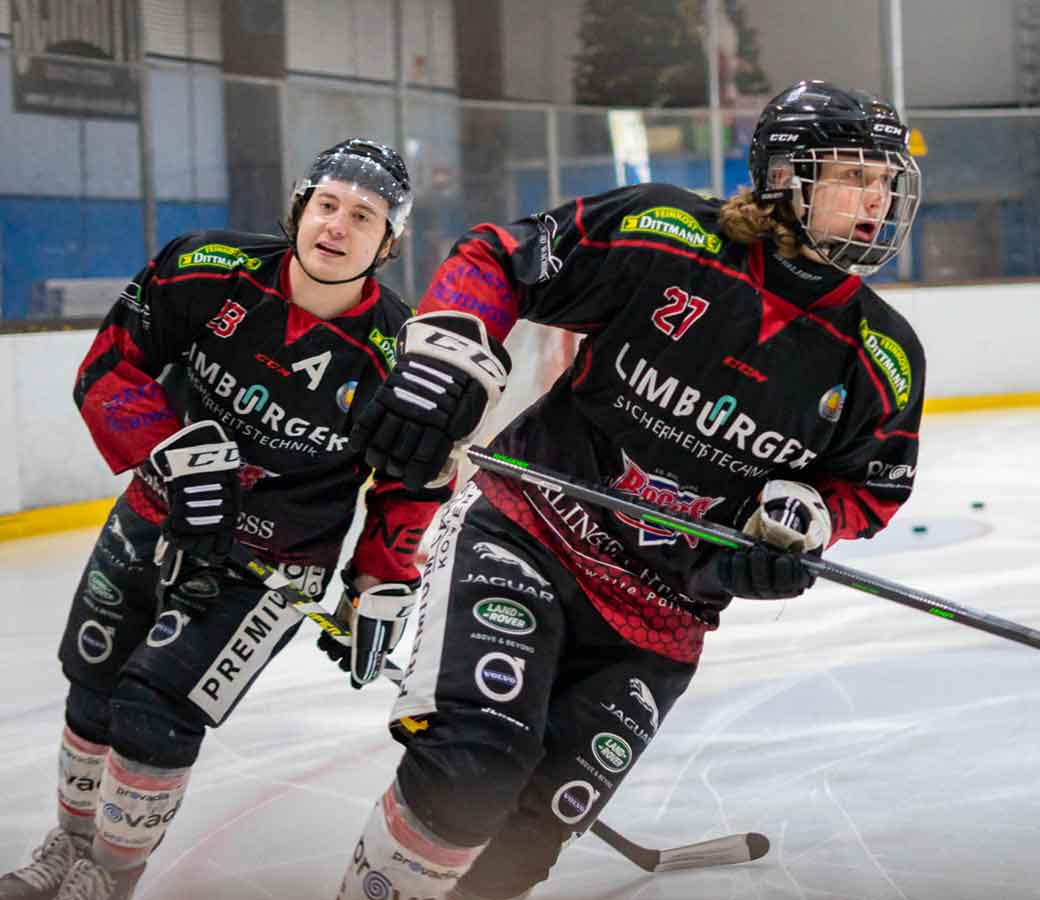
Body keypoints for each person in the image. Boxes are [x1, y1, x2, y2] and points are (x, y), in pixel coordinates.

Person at [337, 80, 926, 900]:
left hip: (660, 619)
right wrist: (449, 349)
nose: (878, 198)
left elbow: (872, 488)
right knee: (473, 767)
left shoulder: (884, 356)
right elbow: (502, 258)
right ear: (787, 175)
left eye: (886, 179)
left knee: (519, 853)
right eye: (854, 175)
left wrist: (806, 526)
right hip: (528, 536)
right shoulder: (670, 234)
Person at [0, 139, 458, 900]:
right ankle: (70, 849)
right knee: (93, 683)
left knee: (156, 710)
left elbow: (407, 484)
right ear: (300, 208)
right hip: (154, 514)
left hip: (268, 568)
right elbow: (109, 365)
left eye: (364, 216)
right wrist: (171, 454)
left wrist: (383, 579)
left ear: (390, 242)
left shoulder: (398, 359)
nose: (337, 226)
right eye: (327, 205)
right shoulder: (206, 269)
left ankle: (107, 882)